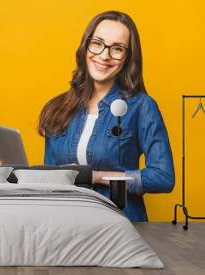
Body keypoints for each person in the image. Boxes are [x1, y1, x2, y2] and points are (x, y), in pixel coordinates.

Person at [37, 10, 175, 222]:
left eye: (117, 49)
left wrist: (99, 177)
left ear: (128, 58)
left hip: (117, 225)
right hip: (63, 225)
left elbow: (163, 177)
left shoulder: (141, 106)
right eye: (97, 43)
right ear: (86, 46)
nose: (104, 55)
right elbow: (49, 179)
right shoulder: (58, 108)